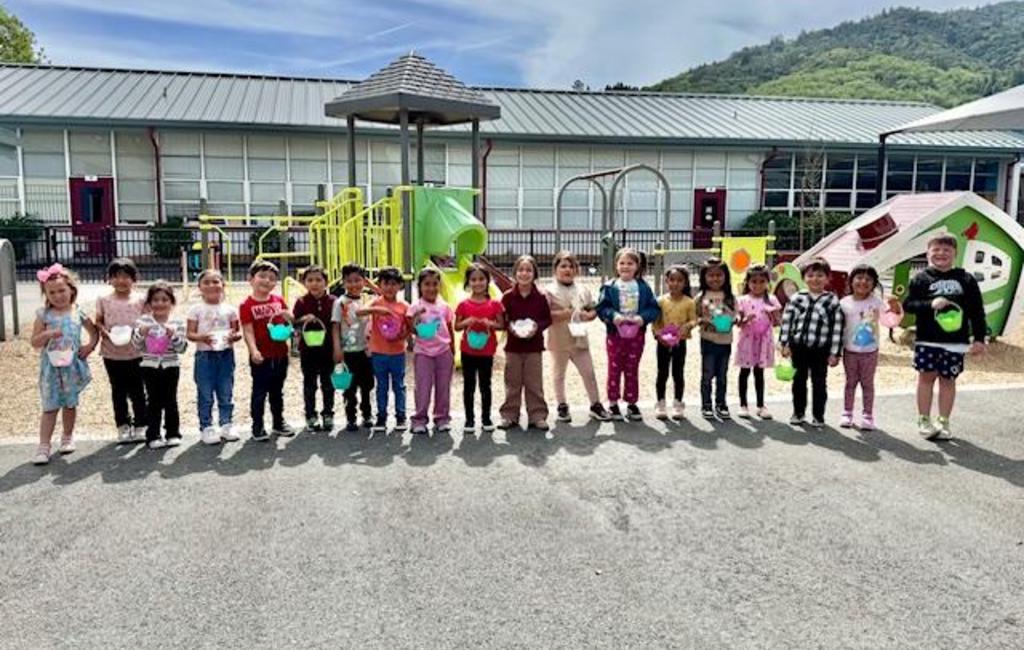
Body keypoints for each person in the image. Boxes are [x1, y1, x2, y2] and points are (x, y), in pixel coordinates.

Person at [902, 234, 986, 440]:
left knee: (948, 380)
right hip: (927, 339)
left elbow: (977, 311)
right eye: (936, 250)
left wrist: (979, 339)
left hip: (955, 341)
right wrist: (930, 304)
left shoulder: (966, 279)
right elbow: (908, 305)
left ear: (955, 253)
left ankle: (943, 421)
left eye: (946, 250)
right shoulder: (920, 278)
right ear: (928, 253)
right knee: (925, 378)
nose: (941, 254)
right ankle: (923, 419)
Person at [30, 264, 98, 465]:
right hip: (51, 368)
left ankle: (67, 436)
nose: (58, 295)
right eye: (52, 292)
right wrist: (47, 334)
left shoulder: (78, 311)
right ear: (46, 294)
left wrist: (90, 347)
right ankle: (44, 445)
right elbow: (34, 342)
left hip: (71, 367)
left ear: (71, 290)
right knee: (50, 406)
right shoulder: (44, 315)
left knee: (70, 403)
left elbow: (94, 331)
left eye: (62, 290)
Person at [779, 257, 845, 428]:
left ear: (827, 278)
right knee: (799, 381)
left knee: (819, 382)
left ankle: (818, 415)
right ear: (803, 277)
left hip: (820, 349)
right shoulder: (796, 298)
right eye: (810, 275)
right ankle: (798, 412)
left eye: (820, 275)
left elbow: (837, 327)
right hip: (799, 347)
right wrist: (784, 343)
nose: (815, 279)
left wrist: (835, 353)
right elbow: (787, 321)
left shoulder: (832, 301)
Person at [596, 247, 660, 421]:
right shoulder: (610, 286)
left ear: (637, 266)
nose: (625, 266)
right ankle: (613, 402)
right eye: (622, 263)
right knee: (614, 368)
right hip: (615, 335)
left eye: (630, 263)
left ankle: (631, 402)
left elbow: (653, 308)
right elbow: (601, 307)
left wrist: (643, 318)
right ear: (616, 265)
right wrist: (612, 315)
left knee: (632, 368)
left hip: (636, 334)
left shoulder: (643, 287)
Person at [545, 251, 609, 423]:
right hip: (558, 339)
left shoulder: (583, 289)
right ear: (555, 269)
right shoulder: (548, 291)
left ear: (577, 270)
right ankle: (562, 405)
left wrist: (592, 315)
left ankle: (595, 405)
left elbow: (591, 308)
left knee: (589, 372)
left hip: (579, 338)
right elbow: (545, 315)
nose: (567, 270)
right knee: (559, 374)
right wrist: (566, 313)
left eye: (571, 266)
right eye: (563, 266)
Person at [838, 264, 900, 431]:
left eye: (868, 279)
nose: (863, 282)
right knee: (850, 383)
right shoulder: (844, 303)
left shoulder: (877, 302)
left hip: (870, 352)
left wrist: (895, 308)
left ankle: (867, 415)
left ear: (874, 284)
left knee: (867, 383)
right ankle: (847, 412)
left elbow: (890, 321)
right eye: (859, 278)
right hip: (849, 350)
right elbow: (838, 327)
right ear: (851, 282)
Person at [240, 260, 294, 441]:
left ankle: (278, 422)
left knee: (277, 391)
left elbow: (289, 320)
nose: (266, 281)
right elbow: (247, 329)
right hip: (261, 356)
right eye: (262, 276)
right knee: (259, 391)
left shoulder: (278, 300)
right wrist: (253, 350)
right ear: (251, 279)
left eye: (271, 278)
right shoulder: (246, 305)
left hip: (280, 353)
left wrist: (289, 318)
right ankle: (257, 425)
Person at [95, 257, 147, 443]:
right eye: (116, 276)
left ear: (134, 279)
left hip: (137, 352)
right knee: (118, 390)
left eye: (126, 276)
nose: (121, 281)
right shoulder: (104, 300)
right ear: (109, 279)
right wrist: (105, 332)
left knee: (138, 390)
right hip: (112, 352)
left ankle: (141, 424)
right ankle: (123, 425)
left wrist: (140, 332)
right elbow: (99, 321)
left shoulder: (141, 299)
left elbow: (148, 321)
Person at [186, 269, 241, 445]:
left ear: (223, 285)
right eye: (206, 282)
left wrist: (233, 337)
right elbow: (190, 334)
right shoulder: (196, 309)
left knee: (226, 391)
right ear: (199, 287)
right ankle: (206, 426)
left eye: (216, 281)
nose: (211, 285)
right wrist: (203, 338)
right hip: (204, 355)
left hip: (226, 354)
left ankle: (226, 423)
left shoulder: (230, 309)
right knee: (205, 392)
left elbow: (237, 331)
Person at [499, 255, 552, 431]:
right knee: (512, 383)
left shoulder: (541, 297)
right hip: (513, 347)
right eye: (521, 270)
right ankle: (509, 415)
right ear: (515, 273)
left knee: (534, 383)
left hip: (534, 347)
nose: (524, 273)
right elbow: (502, 319)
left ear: (534, 274)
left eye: (529, 270)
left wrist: (537, 327)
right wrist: (510, 328)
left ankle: (537, 415)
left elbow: (547, 319)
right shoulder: (507, 297)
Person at [132, 281, 188, 449]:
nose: (160, 303)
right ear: (149, 303)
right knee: (154, 401)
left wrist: (174, 336)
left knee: (171, 400)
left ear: (171, 302)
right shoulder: (143, 322)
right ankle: (153, 435)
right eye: (155, 300)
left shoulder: (177, 323)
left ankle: (172, 433)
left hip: (171, 366)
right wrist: (141, 334)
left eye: (164, 299)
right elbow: (137, 346)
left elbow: (182, 348)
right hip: (149, 366)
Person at [454, 263, 504, 434]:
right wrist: (466, 322)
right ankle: (469, 419)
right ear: (468, 282)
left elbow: (501, 325)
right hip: (467, 352)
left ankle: (486, 418)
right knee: (469, 386)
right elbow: (457, 326)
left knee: (485, 385)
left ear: (487, 281)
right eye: (473, 280)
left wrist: (490, 323)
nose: (478, 283)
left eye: (481, 279)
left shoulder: (495, 304)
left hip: (487, 352)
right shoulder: (463, 305)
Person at [408, 268, 456, 435]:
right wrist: (415, 318)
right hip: (423, 352)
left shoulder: (444, 306)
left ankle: (442, 418)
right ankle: (419, 419)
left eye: (435, 284)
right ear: (420, 286)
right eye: (426, 284)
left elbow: (449, 327)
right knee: (423, 387)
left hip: (443, 351)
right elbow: (412, 330)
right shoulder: (415, 306)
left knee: (443, 387)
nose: (431, 288)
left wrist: (452, 349)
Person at [366, 266, 410, 433]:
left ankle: (401, 416)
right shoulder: (376, 303)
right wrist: (377, 309)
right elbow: (361, 312)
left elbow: (410, 325)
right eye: (386, 284)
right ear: (380, 285)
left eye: (394, 284)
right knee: (381, 385)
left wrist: (403, 335)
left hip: (398, 352)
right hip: (378, 352)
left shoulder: (404, 305)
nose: (390, 287)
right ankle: (381, 416)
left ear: (399, 286)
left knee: (399, 385)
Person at [735, 264, 782, 419]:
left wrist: (773, 316)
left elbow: (777, 323)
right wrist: (745, 319)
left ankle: (761, 405)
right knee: (744, 371)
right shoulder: (742, 300)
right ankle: (743, 404)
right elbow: (738, 323)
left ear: (767, 282)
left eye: (762, 281)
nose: (758, 285)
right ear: (747, 283)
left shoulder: (772, 299)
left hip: (763, 340)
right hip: (747, 340)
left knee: (759, 372)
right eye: (754, 281)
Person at [293, 265, 337, 433]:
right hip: (308, 350)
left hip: (327, 349)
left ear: (326, 282)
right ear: (304, 283)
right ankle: (310, 415)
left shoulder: (333, 301)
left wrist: (337, 349)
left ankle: (328, 413)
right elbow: (295, 324)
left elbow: (336, 325)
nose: (315, 284)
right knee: (309, 383)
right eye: (310, 280)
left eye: (319, 280)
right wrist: (304, 319)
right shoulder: (301, 302)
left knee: (328, 383)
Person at [332, 263, 374, 432]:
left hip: (366, 350)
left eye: (358, 280)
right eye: (349, 281)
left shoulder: (366, 300)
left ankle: (367, 414)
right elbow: (335, 326)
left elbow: (383, 295)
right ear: (343, 283)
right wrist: (337, 348)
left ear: (364, 281)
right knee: (349, 388)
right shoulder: (340, 302)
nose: (354, 284)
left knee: (367, 385)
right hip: (348, 351)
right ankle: (351, 417)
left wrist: (371, 285)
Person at [651, 265, 697, 420]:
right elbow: (655, 322)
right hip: (663, 343)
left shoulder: (689, 302)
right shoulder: (660, 301)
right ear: (666, 281)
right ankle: (660, 403)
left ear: (685, 283)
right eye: (672, 280)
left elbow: (694, 319)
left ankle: (678, 403)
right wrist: (658, 336)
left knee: (678, 373)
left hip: (680, 342)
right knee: (662, 373)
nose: (675, 283)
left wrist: (688, 326)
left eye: (679, 280)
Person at [695, 257, 736, 420]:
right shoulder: (700, 296)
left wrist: (736, 320)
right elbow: (695, 316)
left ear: (725, 276)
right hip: (708, 340)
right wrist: (703, 321)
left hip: (726, 341)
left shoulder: (730, 297)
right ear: (704, 277)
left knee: (722, 375)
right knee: (707, 374)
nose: (715, 278)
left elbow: (735, 315)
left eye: (719, 275)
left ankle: (721, 403)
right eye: (710, 275)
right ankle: (706, 404)